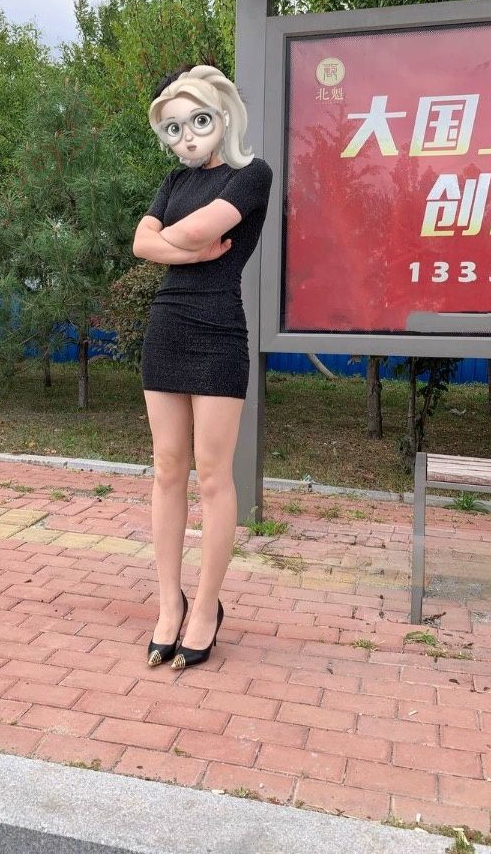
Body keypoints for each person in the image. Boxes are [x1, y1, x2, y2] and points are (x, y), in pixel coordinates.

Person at [132, 64, 273, 671]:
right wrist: (182, 250)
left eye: (197, 121)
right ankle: (170, 603)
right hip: (166, 329)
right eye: (173, 128)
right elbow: (143, 243)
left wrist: (172, 244)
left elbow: (194, 232)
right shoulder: (172, 181)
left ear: (222, 115)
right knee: (168, 470)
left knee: (213, 477)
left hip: (218, 333)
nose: (185, 137)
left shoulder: (252, 175)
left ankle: (207, 607)